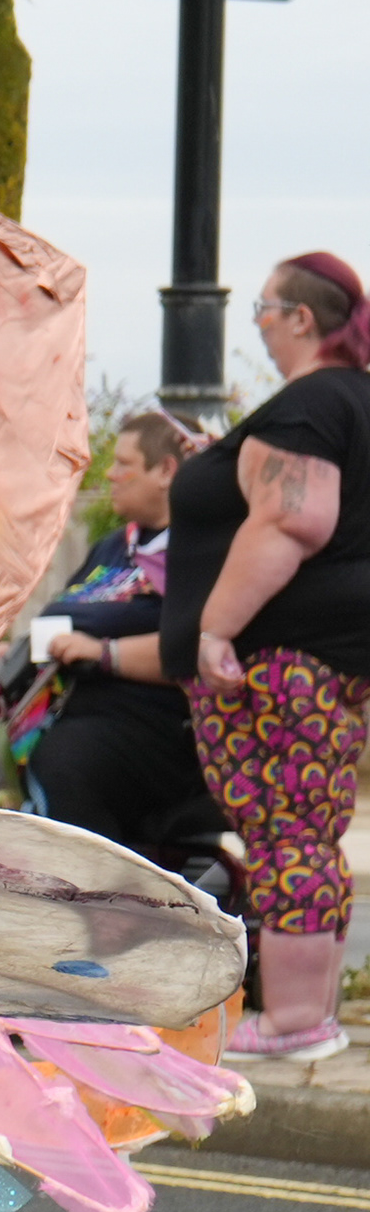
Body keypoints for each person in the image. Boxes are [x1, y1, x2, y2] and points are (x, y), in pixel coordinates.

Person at [166, 251, 370, 1061]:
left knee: (286, 833)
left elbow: (296, 520)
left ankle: (290, 1020)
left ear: (300, 319)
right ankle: (309, 1014)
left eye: (263, 306)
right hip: (325, 660)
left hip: (278, 661)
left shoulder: (313, 401)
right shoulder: (347, 401)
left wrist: (216, 626)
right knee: (310, 831)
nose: (256, 320)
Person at [28, 411, 224, 877]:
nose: (110, 474)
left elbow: (201, 648)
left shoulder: (199, 552)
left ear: (165, 471)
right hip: (70, 711)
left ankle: (108, 910)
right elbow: (60, 614)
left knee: (65, 761)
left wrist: (102, 654)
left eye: (124, 463)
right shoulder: (115, 547)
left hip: (157, 728)